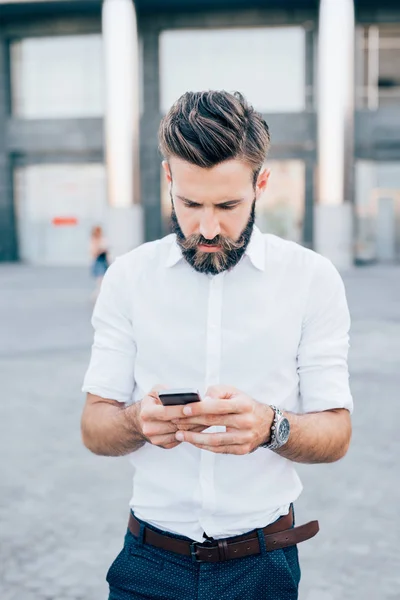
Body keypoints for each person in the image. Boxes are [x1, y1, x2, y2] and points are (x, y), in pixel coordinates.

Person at [81, 91, 353, 600]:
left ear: (261, 184)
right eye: (190, 204)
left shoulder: (311, 279)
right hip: (147, 562)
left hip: (263, 566)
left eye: (228, 206)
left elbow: (337, 432)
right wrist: (134, 419)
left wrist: (272, 426)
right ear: (168, 180)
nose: (207, 228)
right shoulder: (128, 278)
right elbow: (95, 426)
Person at [90, 225, 109, 298]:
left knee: (102, 279)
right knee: (100, 280)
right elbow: (93, 253)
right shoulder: (93, 241)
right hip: (98, 261)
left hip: (103, 261)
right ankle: (98, 294)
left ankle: (99, 293)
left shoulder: (103, 239)